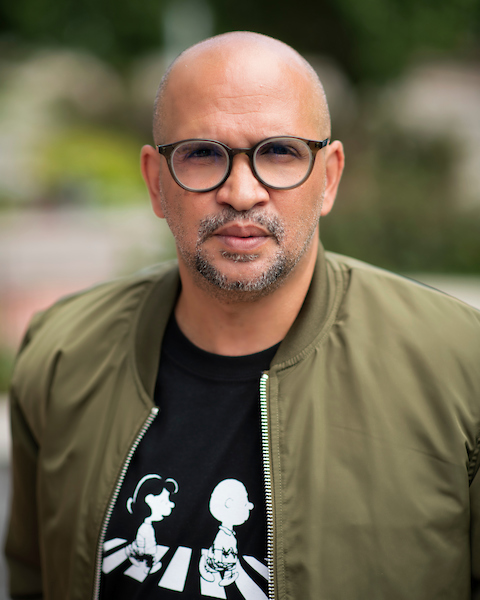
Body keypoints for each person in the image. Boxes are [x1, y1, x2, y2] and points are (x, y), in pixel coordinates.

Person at [4, 31, 480, 600]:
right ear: (156, 182)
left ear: (329, 177)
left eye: (279, 151)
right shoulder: (61, 355)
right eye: (202, 153)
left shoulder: (461, 369)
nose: (242, 191)